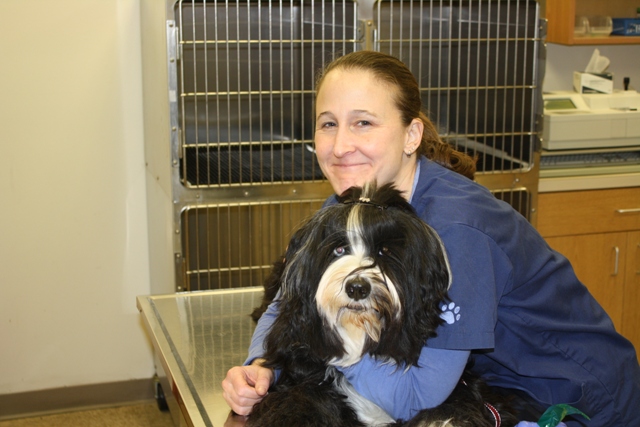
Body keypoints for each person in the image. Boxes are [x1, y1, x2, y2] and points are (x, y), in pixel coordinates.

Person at [222, 51, 640, 426]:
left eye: (363, 123)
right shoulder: (355, 201)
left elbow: (416, 397)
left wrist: (323, 345)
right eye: (328, 124)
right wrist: (261, 366)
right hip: (491, 387)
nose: (340, 145)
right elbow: (291, 294)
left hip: (572, 400)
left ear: (412, 135)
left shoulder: (455, 233)